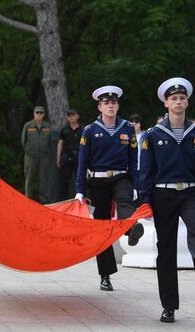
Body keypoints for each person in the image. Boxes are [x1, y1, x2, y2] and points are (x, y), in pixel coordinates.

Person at [140, 77, 195, 323]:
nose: (178, 101)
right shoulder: (152, 135)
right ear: (166, 103)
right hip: (162, 194)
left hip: (190, 192)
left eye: (182, 98)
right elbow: (146, 171)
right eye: (174, 98)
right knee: (165, 251)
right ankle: (169, 306)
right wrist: (145, 200)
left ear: (187, 103)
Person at [74, 85, 144, 292]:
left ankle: (131, 228)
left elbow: (134, 160)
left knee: (124, 199)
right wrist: (79, 190)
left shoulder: (127, 128)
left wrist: (135, 186)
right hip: (97, 182)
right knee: (102, 228)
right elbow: (82, 162)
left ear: (118, 105)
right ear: (100, 107)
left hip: (121, 176)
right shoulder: (90, 131)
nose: (110, 106)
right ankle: (105, 275)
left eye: (113, 103)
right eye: (106, 103)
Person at [21, 106, 51, 203]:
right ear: (34, 113)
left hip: (44, 156)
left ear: (43, 114)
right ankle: (28, 200)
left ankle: (44, 200)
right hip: (31, 156)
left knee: (43, 180)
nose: (39, 115)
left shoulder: (47, 126)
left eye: (41, 113)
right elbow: (23, 141)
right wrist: (29, 150)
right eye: (37, 113)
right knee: (29, 179)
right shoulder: (28, 125)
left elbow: (50, 141)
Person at [56, 109, 83, 200]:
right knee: (64, 180)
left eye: (73, 115)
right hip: (66, 157)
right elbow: (60, 143)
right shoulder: (64, 130)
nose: (71, 117)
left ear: (77, 116)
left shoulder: (83, 130)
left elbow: (86, 145)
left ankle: (80, 200)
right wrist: (58, 158)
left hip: (79, 157)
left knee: (79, 179)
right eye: (69, 116)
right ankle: (63, 201)